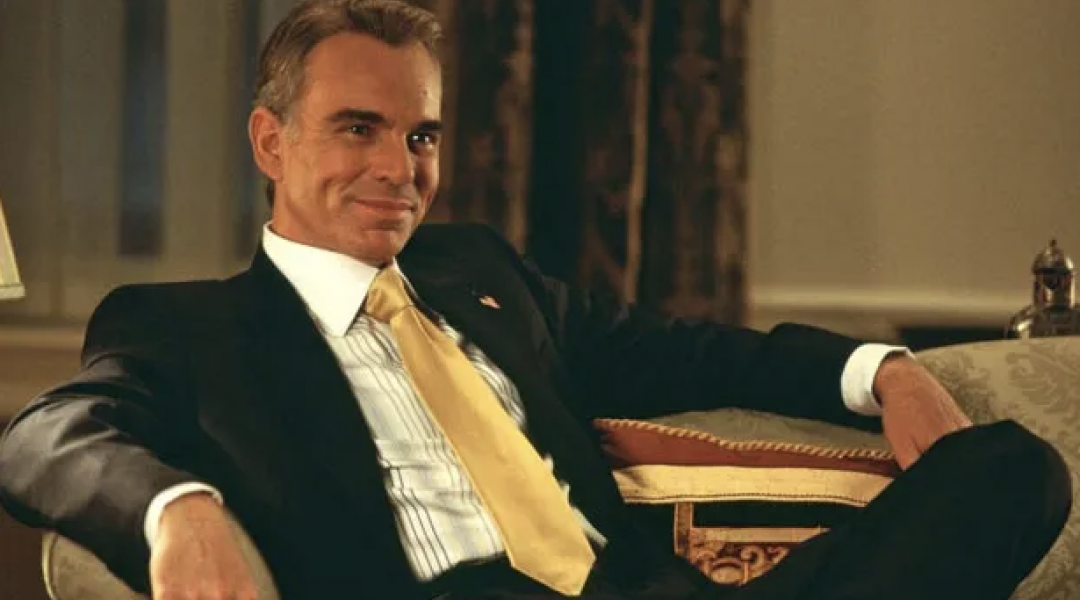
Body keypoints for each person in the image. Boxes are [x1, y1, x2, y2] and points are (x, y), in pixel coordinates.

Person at [0, 1, 1070, 599]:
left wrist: (882, 370)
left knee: (1013, 468)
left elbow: (695, 353)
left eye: (421, 135)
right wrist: (179, 509)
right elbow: (47, 436)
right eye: (359, 129)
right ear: (269, 142)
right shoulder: (186, 326)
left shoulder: (482, 275)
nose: (400, 169)